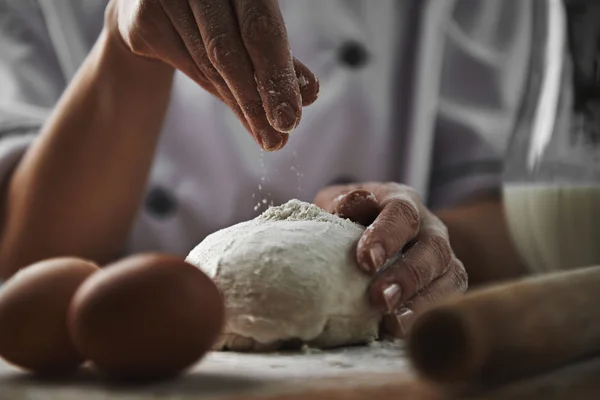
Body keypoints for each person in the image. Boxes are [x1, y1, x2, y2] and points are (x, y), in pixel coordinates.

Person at [0, 0, 532, 337]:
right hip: (128, 364)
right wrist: (123, 48)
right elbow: (25, 264)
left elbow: (515, 224)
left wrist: (409, 241)